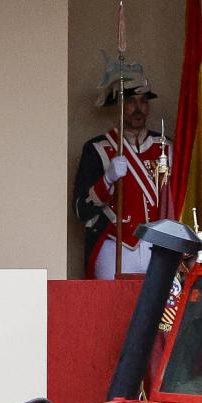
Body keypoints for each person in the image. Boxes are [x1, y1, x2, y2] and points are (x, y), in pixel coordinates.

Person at [73, 64, 171, 279]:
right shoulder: (98, 148)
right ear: (118, 105)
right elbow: (81, 210)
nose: (139, 107)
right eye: (131, 101)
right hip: (115, 244)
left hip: (158, 245)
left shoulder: (165, 146)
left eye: (144, 101)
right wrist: (107, 179)